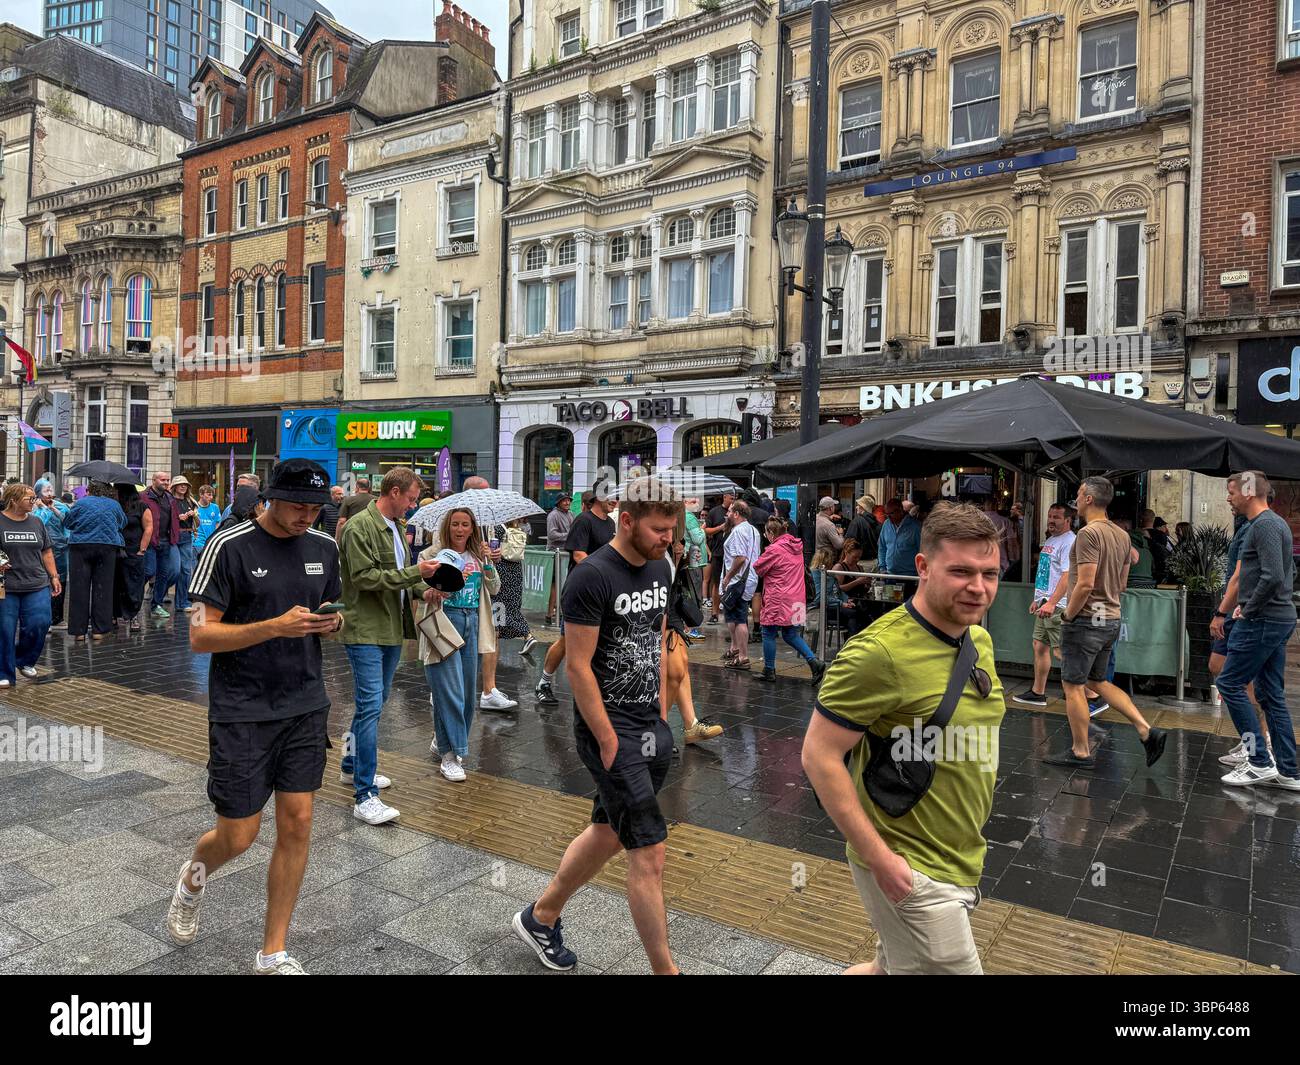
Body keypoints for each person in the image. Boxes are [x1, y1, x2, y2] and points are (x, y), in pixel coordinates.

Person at [801, 502, 1005, 975]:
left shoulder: (978, 639)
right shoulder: (877, 654)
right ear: (923, 566)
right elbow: (818, 755)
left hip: (962, 854)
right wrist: (882, 862)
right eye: (961, 571)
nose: (978, 587)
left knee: (885, 970)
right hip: (911, 865)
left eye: (989, 573)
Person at [168, 458, 343, 975]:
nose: (306, 517)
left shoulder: (325, 548)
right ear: (268, 497)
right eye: (296, 506)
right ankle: (191, 880)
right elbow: (200, 635)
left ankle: (273, 952)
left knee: (299, 823)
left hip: (305, 704)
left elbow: (323, 607)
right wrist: (274, 627)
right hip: (242, 709)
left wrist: (327, 623)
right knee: (237, 836)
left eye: (315, 508)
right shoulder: (228, 545)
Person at [513, 477, 684, 974]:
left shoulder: (660, 566)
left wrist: (662, 708)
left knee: (609, 832)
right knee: (649, 853)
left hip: (649, 724)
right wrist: (608, 740)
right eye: (658, 529)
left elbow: (655, 636)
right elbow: (578, 665)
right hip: (609, 730)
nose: (666, 538)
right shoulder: (591, 577)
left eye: (671, 529)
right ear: (625, 519)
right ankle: (665, 970)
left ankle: (540, 916)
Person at [338, 467, 440, 823]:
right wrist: (417, 574)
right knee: (370, 707)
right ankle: (365, 794)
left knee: (373, 704)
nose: (412, 506)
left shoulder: (396, 527)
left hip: (390, 629)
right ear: (393, 492)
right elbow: (364, 579)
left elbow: (398, 578)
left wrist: (424, 591)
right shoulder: (359, 527)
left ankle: (351, 765)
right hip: (365, 630)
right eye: (410, 499)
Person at [1044, 476, 1167, 770]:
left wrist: (1067, 615)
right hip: (1110, 616)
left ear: (1088, 498)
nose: (1076, 495)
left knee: (1073, 685)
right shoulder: (1122, 535)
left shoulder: (1088, 534)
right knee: (1097, 681)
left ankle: (1080, 750)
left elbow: (1084, 584)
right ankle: (1145, 729)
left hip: (1085, 619)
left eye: (1078, 492)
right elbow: (1122, 583)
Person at [1215, 471, 1297, 790]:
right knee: (1269, 693)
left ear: (1249, 492)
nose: (1228, 497)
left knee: (1230, 683)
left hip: (1262, 620)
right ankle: (1288, 770)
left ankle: (1258, 760)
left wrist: (1248, 607)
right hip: (1275, 618)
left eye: (1232, 491)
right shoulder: (1272, 524)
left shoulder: (1263, 525)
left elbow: (1273, 575)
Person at [420, 507, 500, 782]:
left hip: (472, 623)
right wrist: (434, 588)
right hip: (445, 621)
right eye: (455, 524)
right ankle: (451, 754)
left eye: (465, 524)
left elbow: (494, 588)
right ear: (447, 527)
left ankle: (446, 743)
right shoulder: (431, 555)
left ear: (472, 528)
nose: (460, 529)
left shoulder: (479, 555)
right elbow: (418, 588)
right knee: (449, 690)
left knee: (466, 692)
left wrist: (488, 564)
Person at [536, 489, 615, 705]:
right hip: (581, 589)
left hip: (602, 591)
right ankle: (544, 682)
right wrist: (605, 572)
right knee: (566, 640)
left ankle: (598, 686)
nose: (615, 501)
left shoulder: (610, 524)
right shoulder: (583, 521)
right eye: (611, 497)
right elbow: (579, 555)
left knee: (601, 640)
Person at [1210, 510, 1272, 767]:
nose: (1228, 499)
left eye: (1232, 492)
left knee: (1242, 680)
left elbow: (1239, 576)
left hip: (1242, 612)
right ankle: (1256, 741)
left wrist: (1221, 612)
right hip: (1240, 611)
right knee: (1220, 668)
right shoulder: (1247, 526)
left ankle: (1258, 743)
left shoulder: (1255, 528)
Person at [1014, 503, 1074, 707]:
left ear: (1068, 520)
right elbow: (1047, 574)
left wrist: (1052, 602)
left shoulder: (1069, 542)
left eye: (1057, 517)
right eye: (1050, 516)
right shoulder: (1051, 540)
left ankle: (1086, 694)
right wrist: (1039, 599)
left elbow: (1067, 576)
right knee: (1039, 645)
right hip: (1046, 604)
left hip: (1057, 606)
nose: (1051, 520)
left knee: (1061, 651)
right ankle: (1038, 692)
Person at [753, 516, 826, 683]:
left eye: (766, 533)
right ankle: (814, 662)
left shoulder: (774, 549)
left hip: (779, 597)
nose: (766, 537)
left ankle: (769, 670)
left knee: (768, 632)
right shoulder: (796, 546)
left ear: (771, 532)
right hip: (797, 596)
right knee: (791, 634)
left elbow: (758, 568)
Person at [0, 483, 60, 685]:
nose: (35, 502)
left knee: (40, 623)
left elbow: (47, 551)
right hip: (6, 586)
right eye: (30, 499)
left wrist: (54, 576)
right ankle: (4, 674)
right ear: (13, 500)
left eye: (35, 498)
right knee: (5, 630)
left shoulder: (36, 522)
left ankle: (24, 660)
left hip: (36, 582)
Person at [664, 537, 722, 744]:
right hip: (658, 610)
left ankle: (690, 724)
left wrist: (679, 557)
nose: (667, 535)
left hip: (671, 607)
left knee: (681, 668)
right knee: (675, 671)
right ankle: (658, 727)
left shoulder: (671, 543)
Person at [63, 482, 125, 644]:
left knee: (78, 589)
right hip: (107, 547)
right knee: (103, 588)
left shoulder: (81, 502)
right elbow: (122, 523)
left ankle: (79, 632)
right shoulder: (114, 504)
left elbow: (68, 523)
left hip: (80, 547)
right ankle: (100, 629)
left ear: (89, 491)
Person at [720, 499, 761, 670]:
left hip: (738, 580)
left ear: (736, 514)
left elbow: (740, 558)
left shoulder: (737, 532)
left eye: (729, 511)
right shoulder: (753, 531)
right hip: (749, 579)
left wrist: (728, 577)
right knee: (736, 615)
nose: (727, 514)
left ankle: (743, 657)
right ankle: (737, 651)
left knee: (740, 619)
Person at [491, 517, 537, 660]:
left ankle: (525, 634)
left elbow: (494, 552)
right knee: (511, 607)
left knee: (499, 607)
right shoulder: (518, 528)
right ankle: (525, 635)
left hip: (501, 571)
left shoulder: (496, 529)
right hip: (516, 571)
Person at [114, 483, 153, 632]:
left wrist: (142, 549)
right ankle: (117, 614)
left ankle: (133, 615)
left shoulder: (141, 506)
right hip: (118, 550)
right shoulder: (116, 506)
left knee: (134, 584)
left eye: (117, 490)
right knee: (118, 583)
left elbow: (148, 528)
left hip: (134, 550)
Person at [142, 471, 180, 618]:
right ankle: (134, 600)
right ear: (154, 480)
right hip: (151, 541)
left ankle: (156, 605)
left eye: (167, 480)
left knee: (164, 574)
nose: (165, 482)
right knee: (149, 571)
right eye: (162, 480)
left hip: (166, 540)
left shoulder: (170, 498)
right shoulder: (144, 497)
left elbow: (173, 518)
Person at [33, 479, 69, 629]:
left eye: (51, 490)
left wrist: (54, 509)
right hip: (42, 551)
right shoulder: (34, 509)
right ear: (38, 493)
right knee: (44, 583)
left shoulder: (60, 506)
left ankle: (57, 618)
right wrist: (45, 509)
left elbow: (68, 522)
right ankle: (44, 619)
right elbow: (38, 522)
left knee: (60, 582)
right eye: (46, 490)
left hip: (61, 550)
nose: (49, 493)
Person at [702, 490, 735, 624]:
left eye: (734, 498)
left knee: (732, 583)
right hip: (718, 552)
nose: (732, 501)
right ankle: (714, 613)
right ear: (724, 497)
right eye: (731, 498)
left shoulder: (736, 512)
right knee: (716, 583)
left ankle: (730, 614)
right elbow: (705, 530)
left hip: (732, 554)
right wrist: (720, 527)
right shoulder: (714, 512)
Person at [544, 493, 574, 626]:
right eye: (564, 501)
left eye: (568, 500)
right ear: (558, 503)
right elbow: (552, 534)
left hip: (566, 553)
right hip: (555, 554)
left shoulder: (571, 514)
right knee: (555, 584)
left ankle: (559, 612)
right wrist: (569, 535)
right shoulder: (553, 515)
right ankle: (550, 614)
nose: (567, 503)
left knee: (563, 584)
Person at [877, 498, 921, 587]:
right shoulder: (886, 524)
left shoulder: (915, 527)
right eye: (886, 514)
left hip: (909, 577)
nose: (888, 517)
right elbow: (882, 547)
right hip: (889, 575)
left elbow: (922, 550)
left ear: (900, 511)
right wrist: (882, 568)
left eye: (891, 514)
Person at [171, 476, 198, 614]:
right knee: (174, 570)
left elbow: (197, 522)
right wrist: (177, 518)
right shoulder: (169, 500)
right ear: (174, 486)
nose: (183, 487)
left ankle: (183, 602)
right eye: (180, 484)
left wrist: (194, 514)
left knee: (186, 570)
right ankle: (157, 599)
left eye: (185, 485)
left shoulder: (190, 501)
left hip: (187, 536)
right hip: (173, 536)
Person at [683, 498, 708, 640]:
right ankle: (690, 628)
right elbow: (697, 539)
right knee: (694, 594)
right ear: (685, 502)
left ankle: (687, 627)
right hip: (694, 560)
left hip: (688, 558)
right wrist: (702, 530)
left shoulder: (681, 515)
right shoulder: (690, 517)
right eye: (693, 501)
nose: (697, 504)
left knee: (689, 592)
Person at [845, 495, 881, 572]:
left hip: (860, 563)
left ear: (862, 507)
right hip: (875, 563)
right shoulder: (878, 523)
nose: (856, 507)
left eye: (858, 505)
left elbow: (849, 543)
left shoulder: (856, 522)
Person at [333, 475, 371, 540]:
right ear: (369, 487)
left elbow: (342, 521)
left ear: (357, 487)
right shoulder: (376, 500)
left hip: (352, 536)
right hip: (371, 535)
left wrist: (337, 538)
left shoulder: (348, 500)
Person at [192, 485, 222, 555]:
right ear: (201, 494)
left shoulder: (215, 507)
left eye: (212, 495)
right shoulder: (194, 507)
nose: (211, 497)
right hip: (197, 543)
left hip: (210, 542)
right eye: (208, 495)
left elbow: (217, 524)